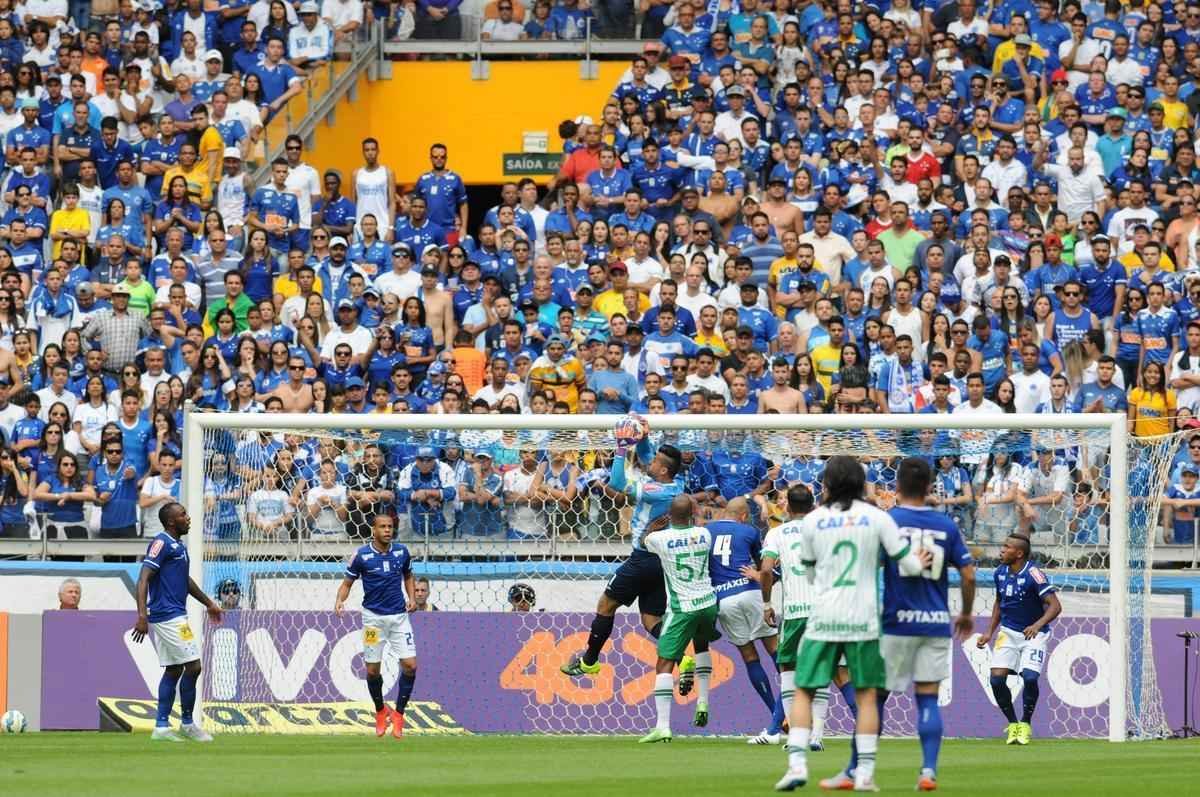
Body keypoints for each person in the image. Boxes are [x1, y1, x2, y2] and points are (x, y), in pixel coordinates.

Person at [774, 455, 927, 793]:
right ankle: (865, 775)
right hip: (864, 619)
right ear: (861, 484)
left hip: (823, 616)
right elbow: (910, 567)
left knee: (804, 689)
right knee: (867, 696)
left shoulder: (813, 521)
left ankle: (797, 763)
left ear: (826, 485)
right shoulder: (877, 518)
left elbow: (810, 573)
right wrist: (921, 560)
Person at [825, 457, 976, 792]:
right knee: (927, 698)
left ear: (895, 488)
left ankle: (854, 771)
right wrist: (965, 612)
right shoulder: (946, 525)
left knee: (873, 700)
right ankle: (928, 771)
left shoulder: (888, 521)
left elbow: (866, 565)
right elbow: (968, 573)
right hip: (935, 623)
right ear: (930, 488)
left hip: (895, 624)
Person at [561, 418, 683, 679]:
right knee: (651, 620)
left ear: (663, 471)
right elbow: (650, 457)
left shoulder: (653, 490)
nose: (650, 463)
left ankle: (590, 661)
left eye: (656, 464)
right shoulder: (675, 483)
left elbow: (616, 483)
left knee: (606, 605)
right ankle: (683, 658)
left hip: (642, 559)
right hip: (662, 562)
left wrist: (621, 448)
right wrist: (644, 438)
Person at [130, 501, 223, 743]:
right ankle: (188, 723)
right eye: (183, 514)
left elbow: (185, 580)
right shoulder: (161, 543)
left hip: (173, 613)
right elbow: (143, 579)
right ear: (171, 521)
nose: (188, 517)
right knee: (194, 667)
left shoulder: (177, 546)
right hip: (168, 615)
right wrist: (142, 616)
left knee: (174, 669)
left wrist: (209, 603)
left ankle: (161, 727)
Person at [637, 494, 718, 743]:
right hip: (707, 603)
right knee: (702, 645)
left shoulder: (659, 538)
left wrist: (657, 523)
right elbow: (700, 525)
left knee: (664, 663)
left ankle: (663, 726)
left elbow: (642, 541)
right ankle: (703, 702)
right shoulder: (705, 535)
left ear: (670, 515)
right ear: (692, 514)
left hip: (682, 608)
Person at [706, 497, 782, 744]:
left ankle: (775, 716)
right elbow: (765, 571)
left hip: (724, 599)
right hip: (751, 594)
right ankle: (793, 709)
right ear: (741, 515)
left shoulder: (706, 531)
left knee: (750, 658)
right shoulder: (749, 531)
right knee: (776, 652)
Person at [335, 514, 417, 739]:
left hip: (400, 618)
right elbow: (347, 583)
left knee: (410, 665)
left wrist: (411, 597)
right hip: (373, 621)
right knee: (372, 670)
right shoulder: (361, 555)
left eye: (390, 527)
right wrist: (340, 600)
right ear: (373, 530)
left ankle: (399, 714)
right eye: (383, 527)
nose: (387, 530)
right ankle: (380, 711)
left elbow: (408, 576)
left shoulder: (402, 552)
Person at [975, 533, 1063, 746]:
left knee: (1030, 678)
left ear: (1019, 553)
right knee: (996, 679)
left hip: (1034, 634)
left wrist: (1037, 625)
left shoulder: (1034, 574)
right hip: (1008, 632)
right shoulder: (1000, 572)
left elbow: (1055, 605)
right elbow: (999, 602)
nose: (1002, 550)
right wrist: (989, 632)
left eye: (1007, 547)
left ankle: (1025, 724)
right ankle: (1013, 724)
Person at [753, 484, 818, 747]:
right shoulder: (824, 531)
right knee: (827, 670)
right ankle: (817, 735)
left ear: (787, 507)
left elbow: (766, 570)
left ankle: (795, 734)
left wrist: (767, 604)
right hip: (825, 611)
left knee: (788, 668)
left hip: (795, 613)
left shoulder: (776, 533)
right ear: (813, 505)